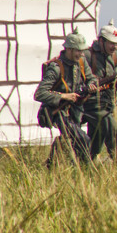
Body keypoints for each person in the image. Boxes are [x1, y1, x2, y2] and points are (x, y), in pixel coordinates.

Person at [34, 29, 98, 166]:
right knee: (83, 139)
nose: (81, 54)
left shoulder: (81, 62)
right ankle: (86, 172)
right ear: (68, 49)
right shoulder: (56, 68)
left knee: (69, 140)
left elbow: (91, 78)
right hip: (57, 111)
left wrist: (92, 85)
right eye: (77, 51)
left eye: (81, 51)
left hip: (74, 110)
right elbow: (39, 94)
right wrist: (64, 96)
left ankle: (50, 166)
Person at [81, 20, 117, 161]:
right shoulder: (87, 55)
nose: (115, 46)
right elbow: (76, 79)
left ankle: (84, 168)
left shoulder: (115, 56)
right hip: (92, 105)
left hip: (107, 104)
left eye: (116, 43)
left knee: (94, 144)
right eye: (111, 43)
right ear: (101, 41)